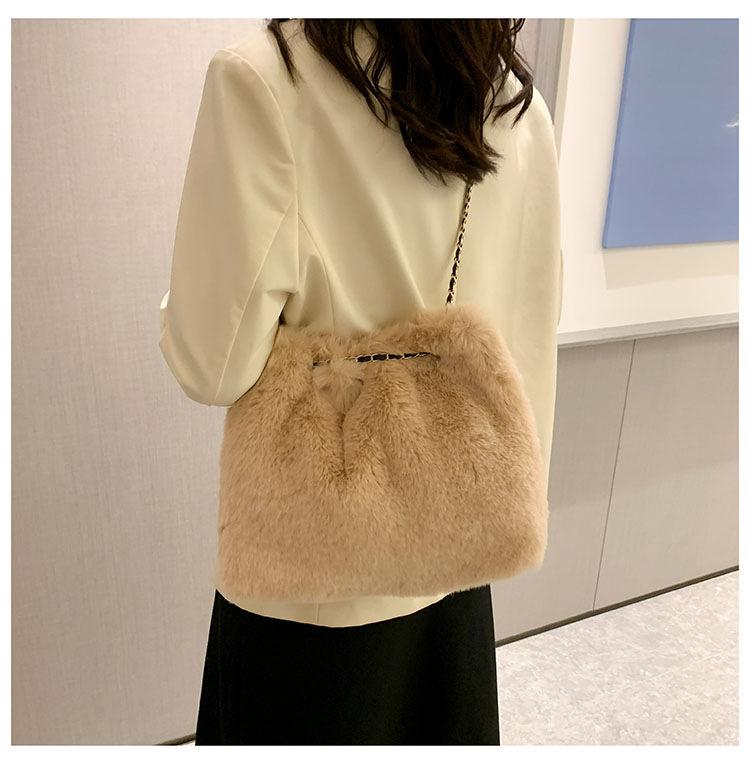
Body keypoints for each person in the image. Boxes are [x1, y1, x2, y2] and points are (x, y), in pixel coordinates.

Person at [158, 18, 562, 745]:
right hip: (454, 554)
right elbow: (530, 339)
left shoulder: (266, 80)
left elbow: (210, 365)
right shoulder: (511, 101)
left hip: (312, 583)